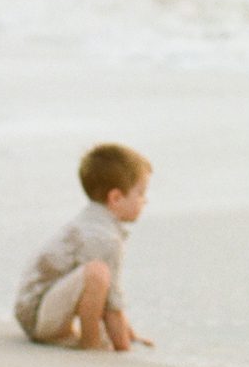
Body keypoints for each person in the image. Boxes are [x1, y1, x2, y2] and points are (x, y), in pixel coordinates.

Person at [14, 143, 154, 350]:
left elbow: (111, 296)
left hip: (36, 313)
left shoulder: (93, 222)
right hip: (39, 318)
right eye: (140, 193)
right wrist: (124, 350)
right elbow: (112, 306)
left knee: (100, 275)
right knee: (97, 273)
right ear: (115, 198)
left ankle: (90, 340)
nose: (145, 201)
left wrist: (129, 334)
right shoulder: (104, 237)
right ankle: (90, 343)